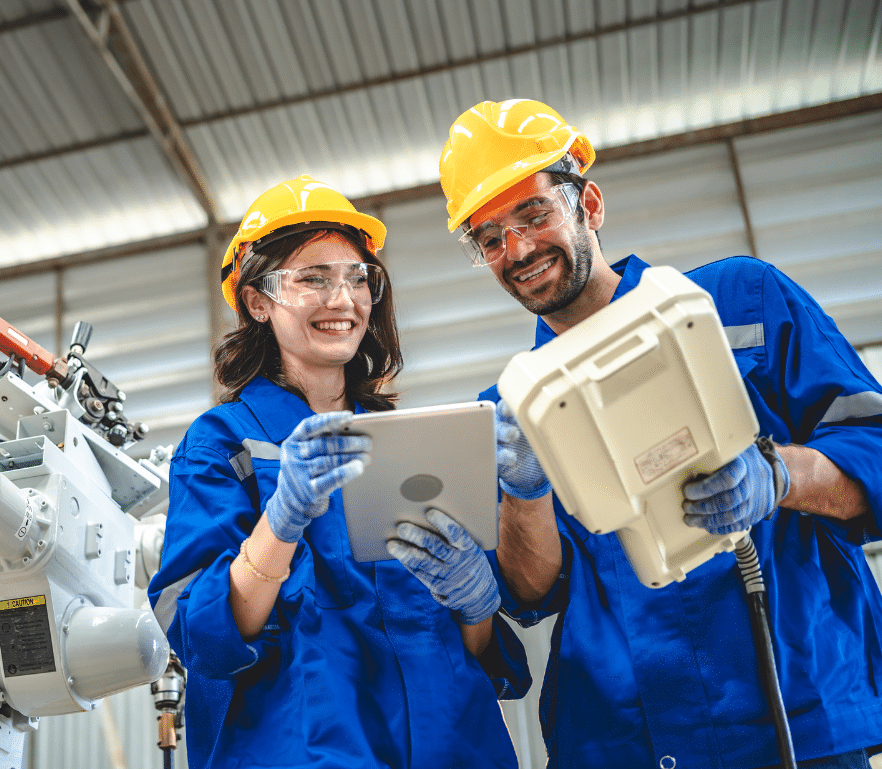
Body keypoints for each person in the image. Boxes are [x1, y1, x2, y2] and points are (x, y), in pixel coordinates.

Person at [437, 98, 882, 769]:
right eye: (490, 237)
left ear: (588, 202)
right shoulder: (505, 409)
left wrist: (779, 475)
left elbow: (873, 452)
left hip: (794, 709)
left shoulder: (739, 301)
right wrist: (523, 494)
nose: (518, 249)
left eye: (533, 213)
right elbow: (530, 595)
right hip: (625, 739)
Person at [147, 175, 530, 768]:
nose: (343, 300)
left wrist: (478, 606)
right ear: (258, 301)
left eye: (358, 279)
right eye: (313, 278)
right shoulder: (221, 444)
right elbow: (201, 634)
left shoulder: (415, 445)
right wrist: (280, 524)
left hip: (457, 746)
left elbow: (480, 655)